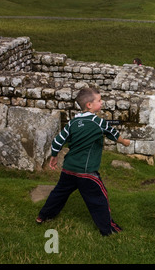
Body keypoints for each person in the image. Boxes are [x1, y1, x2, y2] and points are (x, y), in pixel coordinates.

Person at [36, 87, 131, 236]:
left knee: (59, 194)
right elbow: (113, 133)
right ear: (89, 105)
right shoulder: (99, 122)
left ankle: (43, 216)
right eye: (99, 101)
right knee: (99, 199)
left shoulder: (73, 122)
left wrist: (54, 156)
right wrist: (124, 142)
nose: (101, 103)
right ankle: (108, 229)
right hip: (86, 173)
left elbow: (58, 141)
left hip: (68, 169)